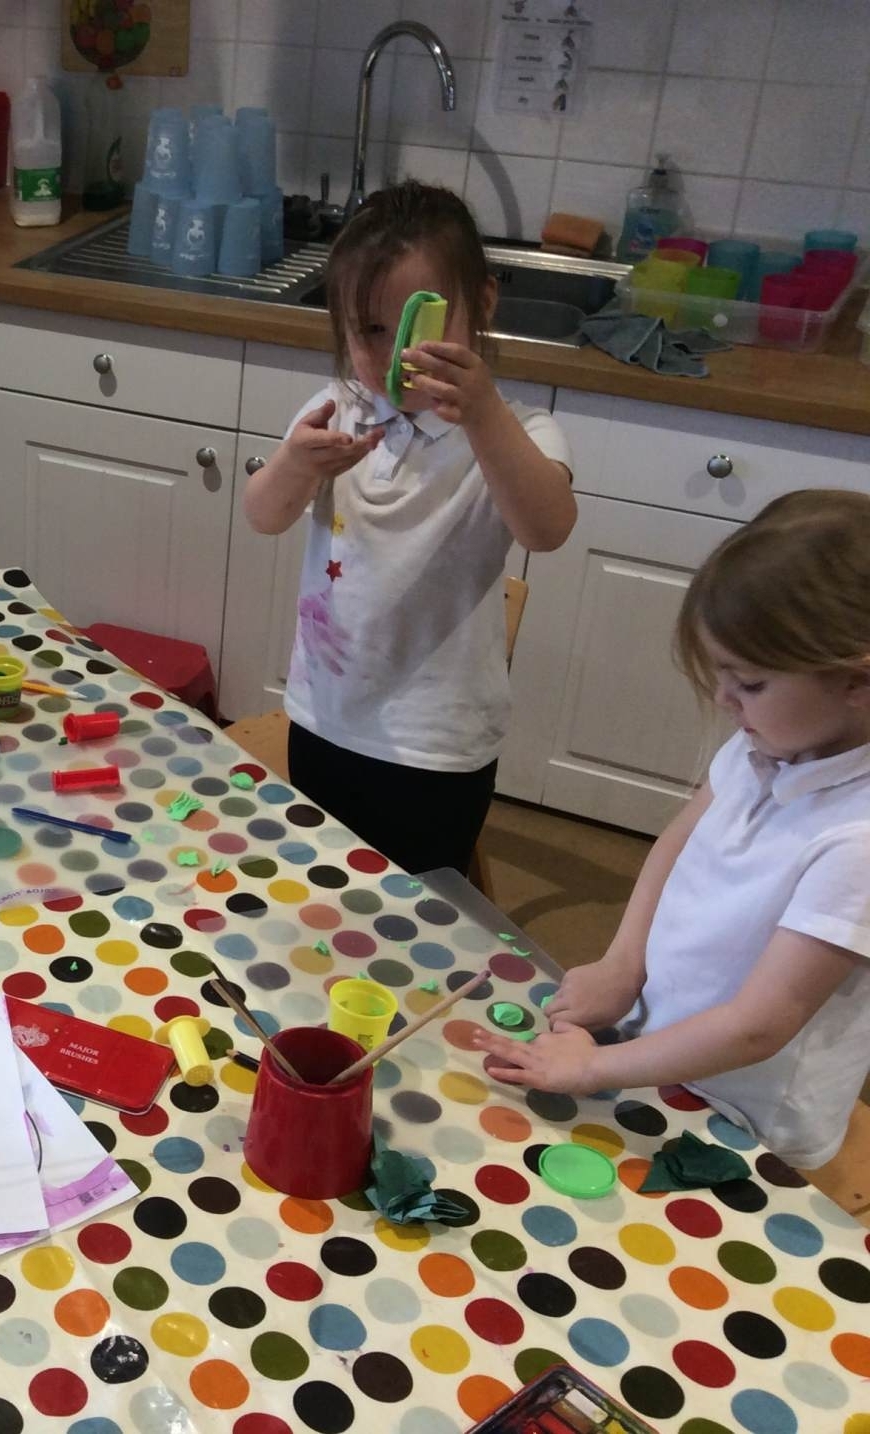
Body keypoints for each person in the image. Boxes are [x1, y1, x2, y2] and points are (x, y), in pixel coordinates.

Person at [472, 490, 870, 1170]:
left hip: (746, 1117)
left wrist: (595, 1069)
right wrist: (625, 962)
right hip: (659, 1049)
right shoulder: (769, 743)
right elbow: (676, 844)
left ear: (857, 681)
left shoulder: (857, 840)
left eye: (749, 683)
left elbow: (757, 1028)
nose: (723, 699)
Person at [242, 181, 577, 875]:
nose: (397, 355)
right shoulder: (337, 408)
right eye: (370, 331)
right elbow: (262, 516)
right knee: (323, 889)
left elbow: (547, 529)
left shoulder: (518, 430)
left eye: (421, 328)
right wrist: (295, 464)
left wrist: (483, 414)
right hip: (325, 717)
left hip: (436, 746)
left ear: (482, 305)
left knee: (417, 914)